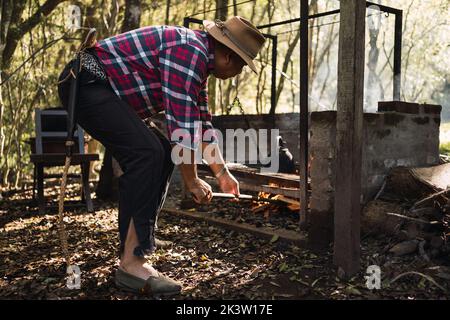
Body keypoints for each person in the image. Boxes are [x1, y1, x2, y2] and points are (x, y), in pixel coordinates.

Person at [57, 16, 266, 296]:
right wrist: (191, 180)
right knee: (149, 154)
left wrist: (222, 174)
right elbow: (182, 127)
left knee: (161, 154)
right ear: (228, 56)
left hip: (103, 89)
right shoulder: (188, 50)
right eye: (242, 65)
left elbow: (201, 123)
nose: (239, 72)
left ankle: (136, 246)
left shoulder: (198, 63)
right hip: (86, 83)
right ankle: (132, 263)